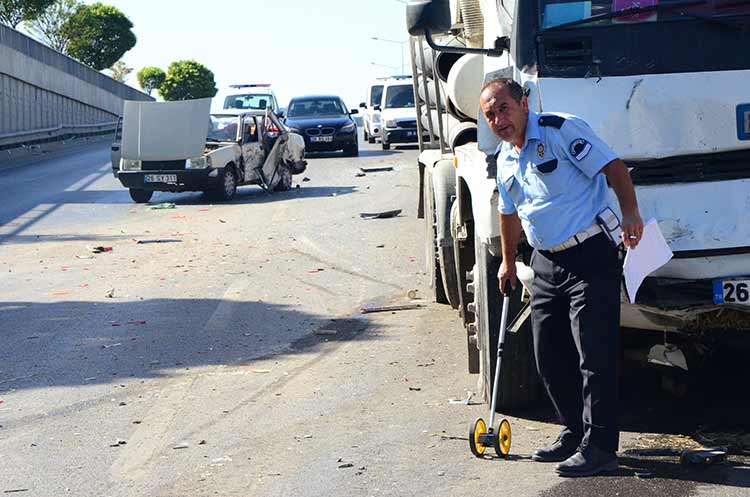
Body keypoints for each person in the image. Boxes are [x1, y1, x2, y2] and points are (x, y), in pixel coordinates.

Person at [479, 79, 644, 477]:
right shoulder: (503, 158)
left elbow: (613, 168)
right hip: (546, 263)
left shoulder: (560, 130)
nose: (499, 119)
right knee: (547, 354)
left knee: (594, 355)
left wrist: (632, 214)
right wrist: (506, 261)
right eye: (490, 115)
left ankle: (601, 447)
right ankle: (574, 431)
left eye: (503, 108)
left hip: (590, 255)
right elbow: (508, 212)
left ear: (522, 102)